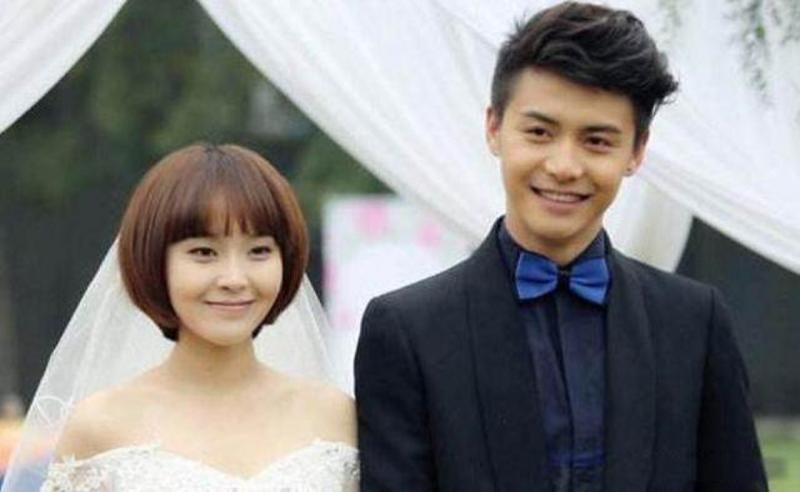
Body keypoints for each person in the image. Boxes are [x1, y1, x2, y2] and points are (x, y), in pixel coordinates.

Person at [355, 2, 767, 491]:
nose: (564, 166)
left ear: (636, 151)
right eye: (539, 132)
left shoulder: (695, 324)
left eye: (597, 141)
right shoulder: (407, 331)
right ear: (494, 128)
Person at [13, 144, 357, 491]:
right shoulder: (100, 425)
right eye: (204, 252)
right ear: (154, 261)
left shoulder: (337, 415)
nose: (234, 279)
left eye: (259, 251)